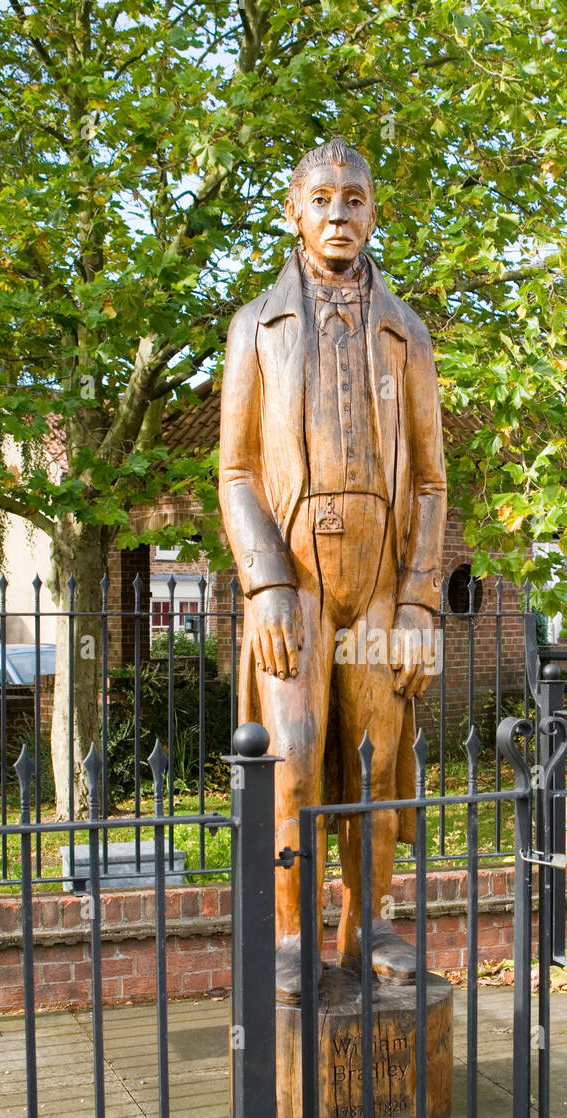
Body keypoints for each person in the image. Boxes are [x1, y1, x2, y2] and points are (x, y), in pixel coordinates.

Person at [219, 139, 447, 1003]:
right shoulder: (256, 328)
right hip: (299, 580)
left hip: (382, 582)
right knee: (297, 758)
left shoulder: (405, 332)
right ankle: (288, 933)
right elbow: (235, 471)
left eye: (355, 199)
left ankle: (369, 925)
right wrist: (267, 581)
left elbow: (430, 478)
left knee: (378, 763)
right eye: (322, 200)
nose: (339, 215)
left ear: (373, 212)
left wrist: (421, 599)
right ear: (294, 213)